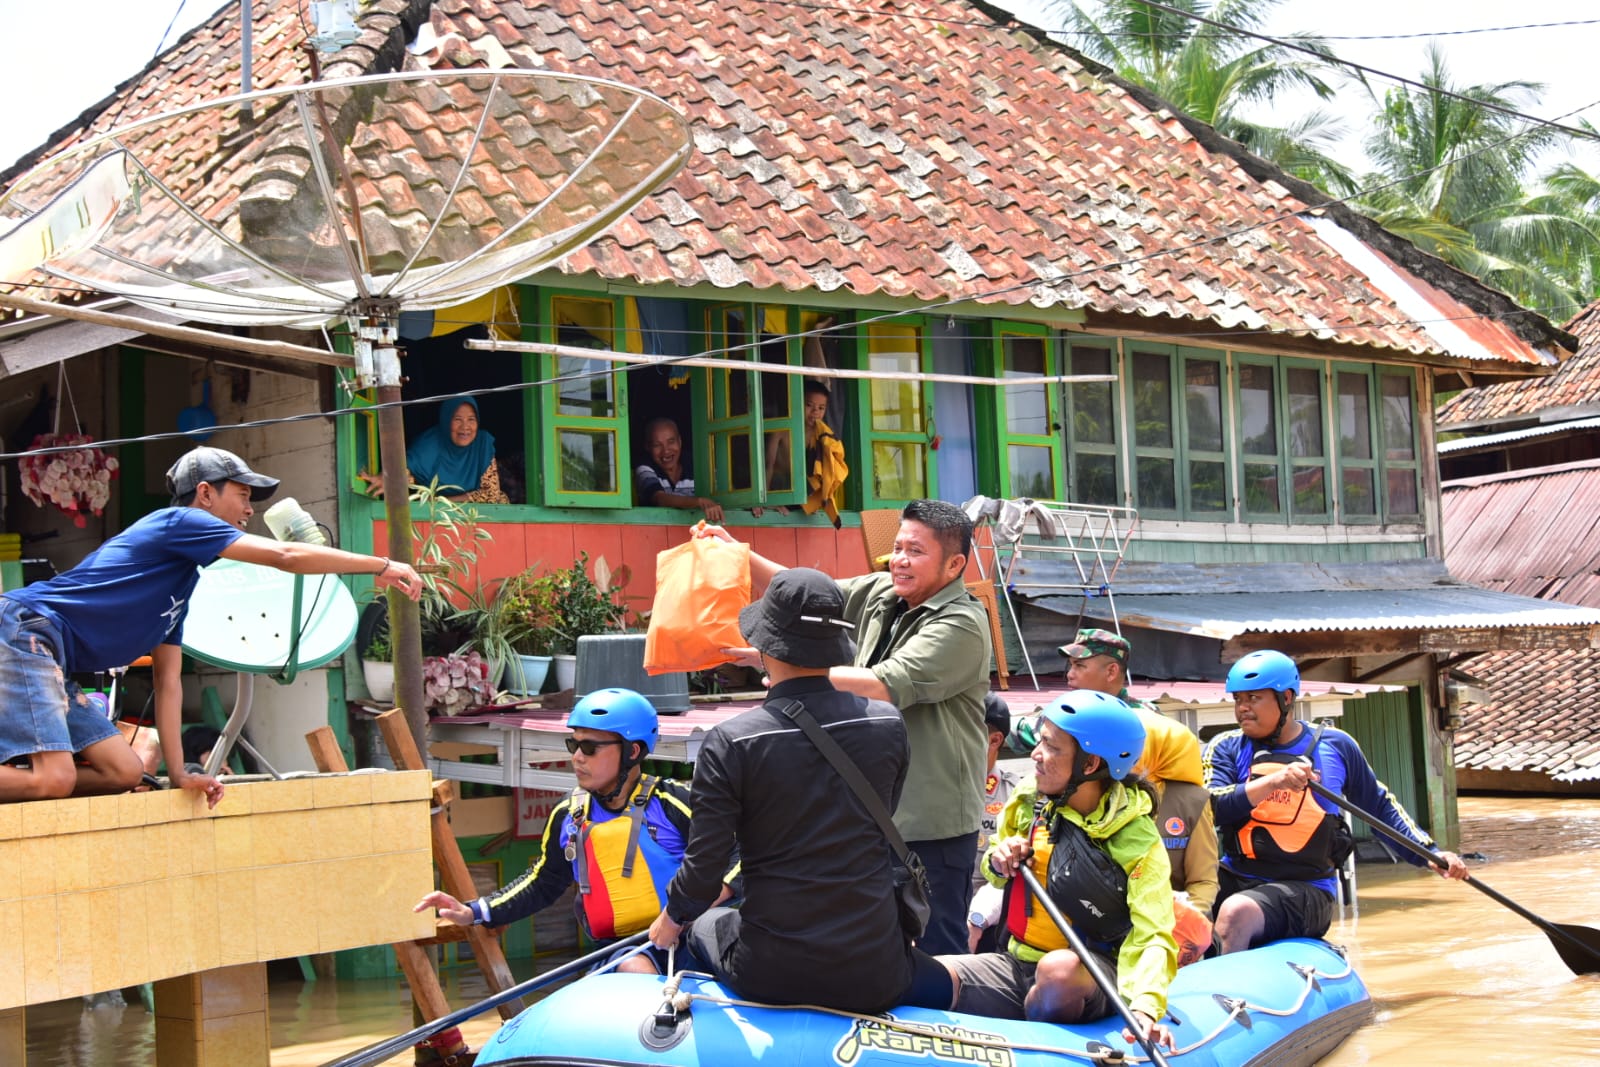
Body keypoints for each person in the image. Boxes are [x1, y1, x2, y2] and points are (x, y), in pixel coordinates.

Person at [0, 446, 421, 805]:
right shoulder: (178, 522)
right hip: (25, 631)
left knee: (124, 772)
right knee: (55, 780)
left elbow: (169, 684)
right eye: (241, 494)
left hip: (47, 655)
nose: (248, 508)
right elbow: (286, 556)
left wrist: (181, 773)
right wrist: (380, 564)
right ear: (204, 494)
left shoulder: (176, 592)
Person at [696, 498, 991, 955]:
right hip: (871, 813)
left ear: (954, 564)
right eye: (897, 547)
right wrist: (736, 552)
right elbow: (798, 597)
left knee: (936, 950)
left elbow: (884, 684)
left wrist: (785, 664)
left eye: (915, 551)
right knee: (873, 946)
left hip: (931, 824)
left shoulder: (964, 624)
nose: (900, 560)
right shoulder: (881, 591)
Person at [647, 568, 951, 1012]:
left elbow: (703, 873)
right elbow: (879, 816)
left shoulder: (731, 741)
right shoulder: (887, 723)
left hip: (772, 971)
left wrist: (672, 919)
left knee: (703, 923)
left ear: (764, 646)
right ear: (835, 647)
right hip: (878, 968)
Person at [416, 688, 733, 975]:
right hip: (621, 950)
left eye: (590, 747)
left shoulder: (673, 803)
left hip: (691, 936)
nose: (577, 757)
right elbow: (542, 882)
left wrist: (684, 913)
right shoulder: (567, 815)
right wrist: (474, 911)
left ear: (632, 751)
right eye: (574, 744)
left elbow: (740, 854)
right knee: (635, 969)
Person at [938, 690, 1177, 1051]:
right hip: (1017, 963)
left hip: (1092, 974)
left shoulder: (1135, 837)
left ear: (1090, 764)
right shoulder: (1029, 800)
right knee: (927, 974)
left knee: (1058, 972)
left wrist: (1145, 1006)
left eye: (1050, 746)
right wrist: (1001, 858)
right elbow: (994, 873)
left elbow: (1153, 932)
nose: (1034, 753)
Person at [1203, 649, 1470, 954]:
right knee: (1179, 900)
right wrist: (1274, 781)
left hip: (1308, 889)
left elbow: (1378, 807)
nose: (1243, 709)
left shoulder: (1336, 745)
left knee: (1236, 912)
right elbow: (1211, 807)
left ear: (1286, 698)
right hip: (1237, 876)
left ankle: (1231, 995)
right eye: (1238, 699)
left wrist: (1431, 853)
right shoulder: (1226, 747)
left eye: (1254, 699)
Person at [1062, 628, 1220, 935]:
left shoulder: (1145, 719)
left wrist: (1185, 921)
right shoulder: (1063, 721)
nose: (1069, 674)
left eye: (1079, 665)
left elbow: (1202, 881)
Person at [362, 396, 510, 503]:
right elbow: (406, 473)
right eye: (457, 419)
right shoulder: (429, 445)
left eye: (471, 419)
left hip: (476, 513)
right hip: (435, 513)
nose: (465, 427)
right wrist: (386, 478)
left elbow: (490, 494)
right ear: (446, 420)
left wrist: (445, 502)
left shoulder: (482, 444)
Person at [967, 693, 1022, 952]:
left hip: (988, 923)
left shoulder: (1015, 795)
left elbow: (1015, 876)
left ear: (995, 740)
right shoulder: (933, 785)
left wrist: (977, 917)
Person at [757, 379, 849, 525]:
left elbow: (828, 471)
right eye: (809, 405)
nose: (815, 413)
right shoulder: (781, 431)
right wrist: (764, 501)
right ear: (798, 403)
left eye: (821, 408)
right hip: (776, 491)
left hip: (804, 498)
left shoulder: (823, 436)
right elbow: (768, 465)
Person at [634, 416, 723, 523]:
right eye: (657, 445)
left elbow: (725, 493)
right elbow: (659, 499)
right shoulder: (644, 467)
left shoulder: (697, 464)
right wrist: (699, 502)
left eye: (671, 442)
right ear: (648, 447)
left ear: (680, 442)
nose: (666, 451)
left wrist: (747, 504)